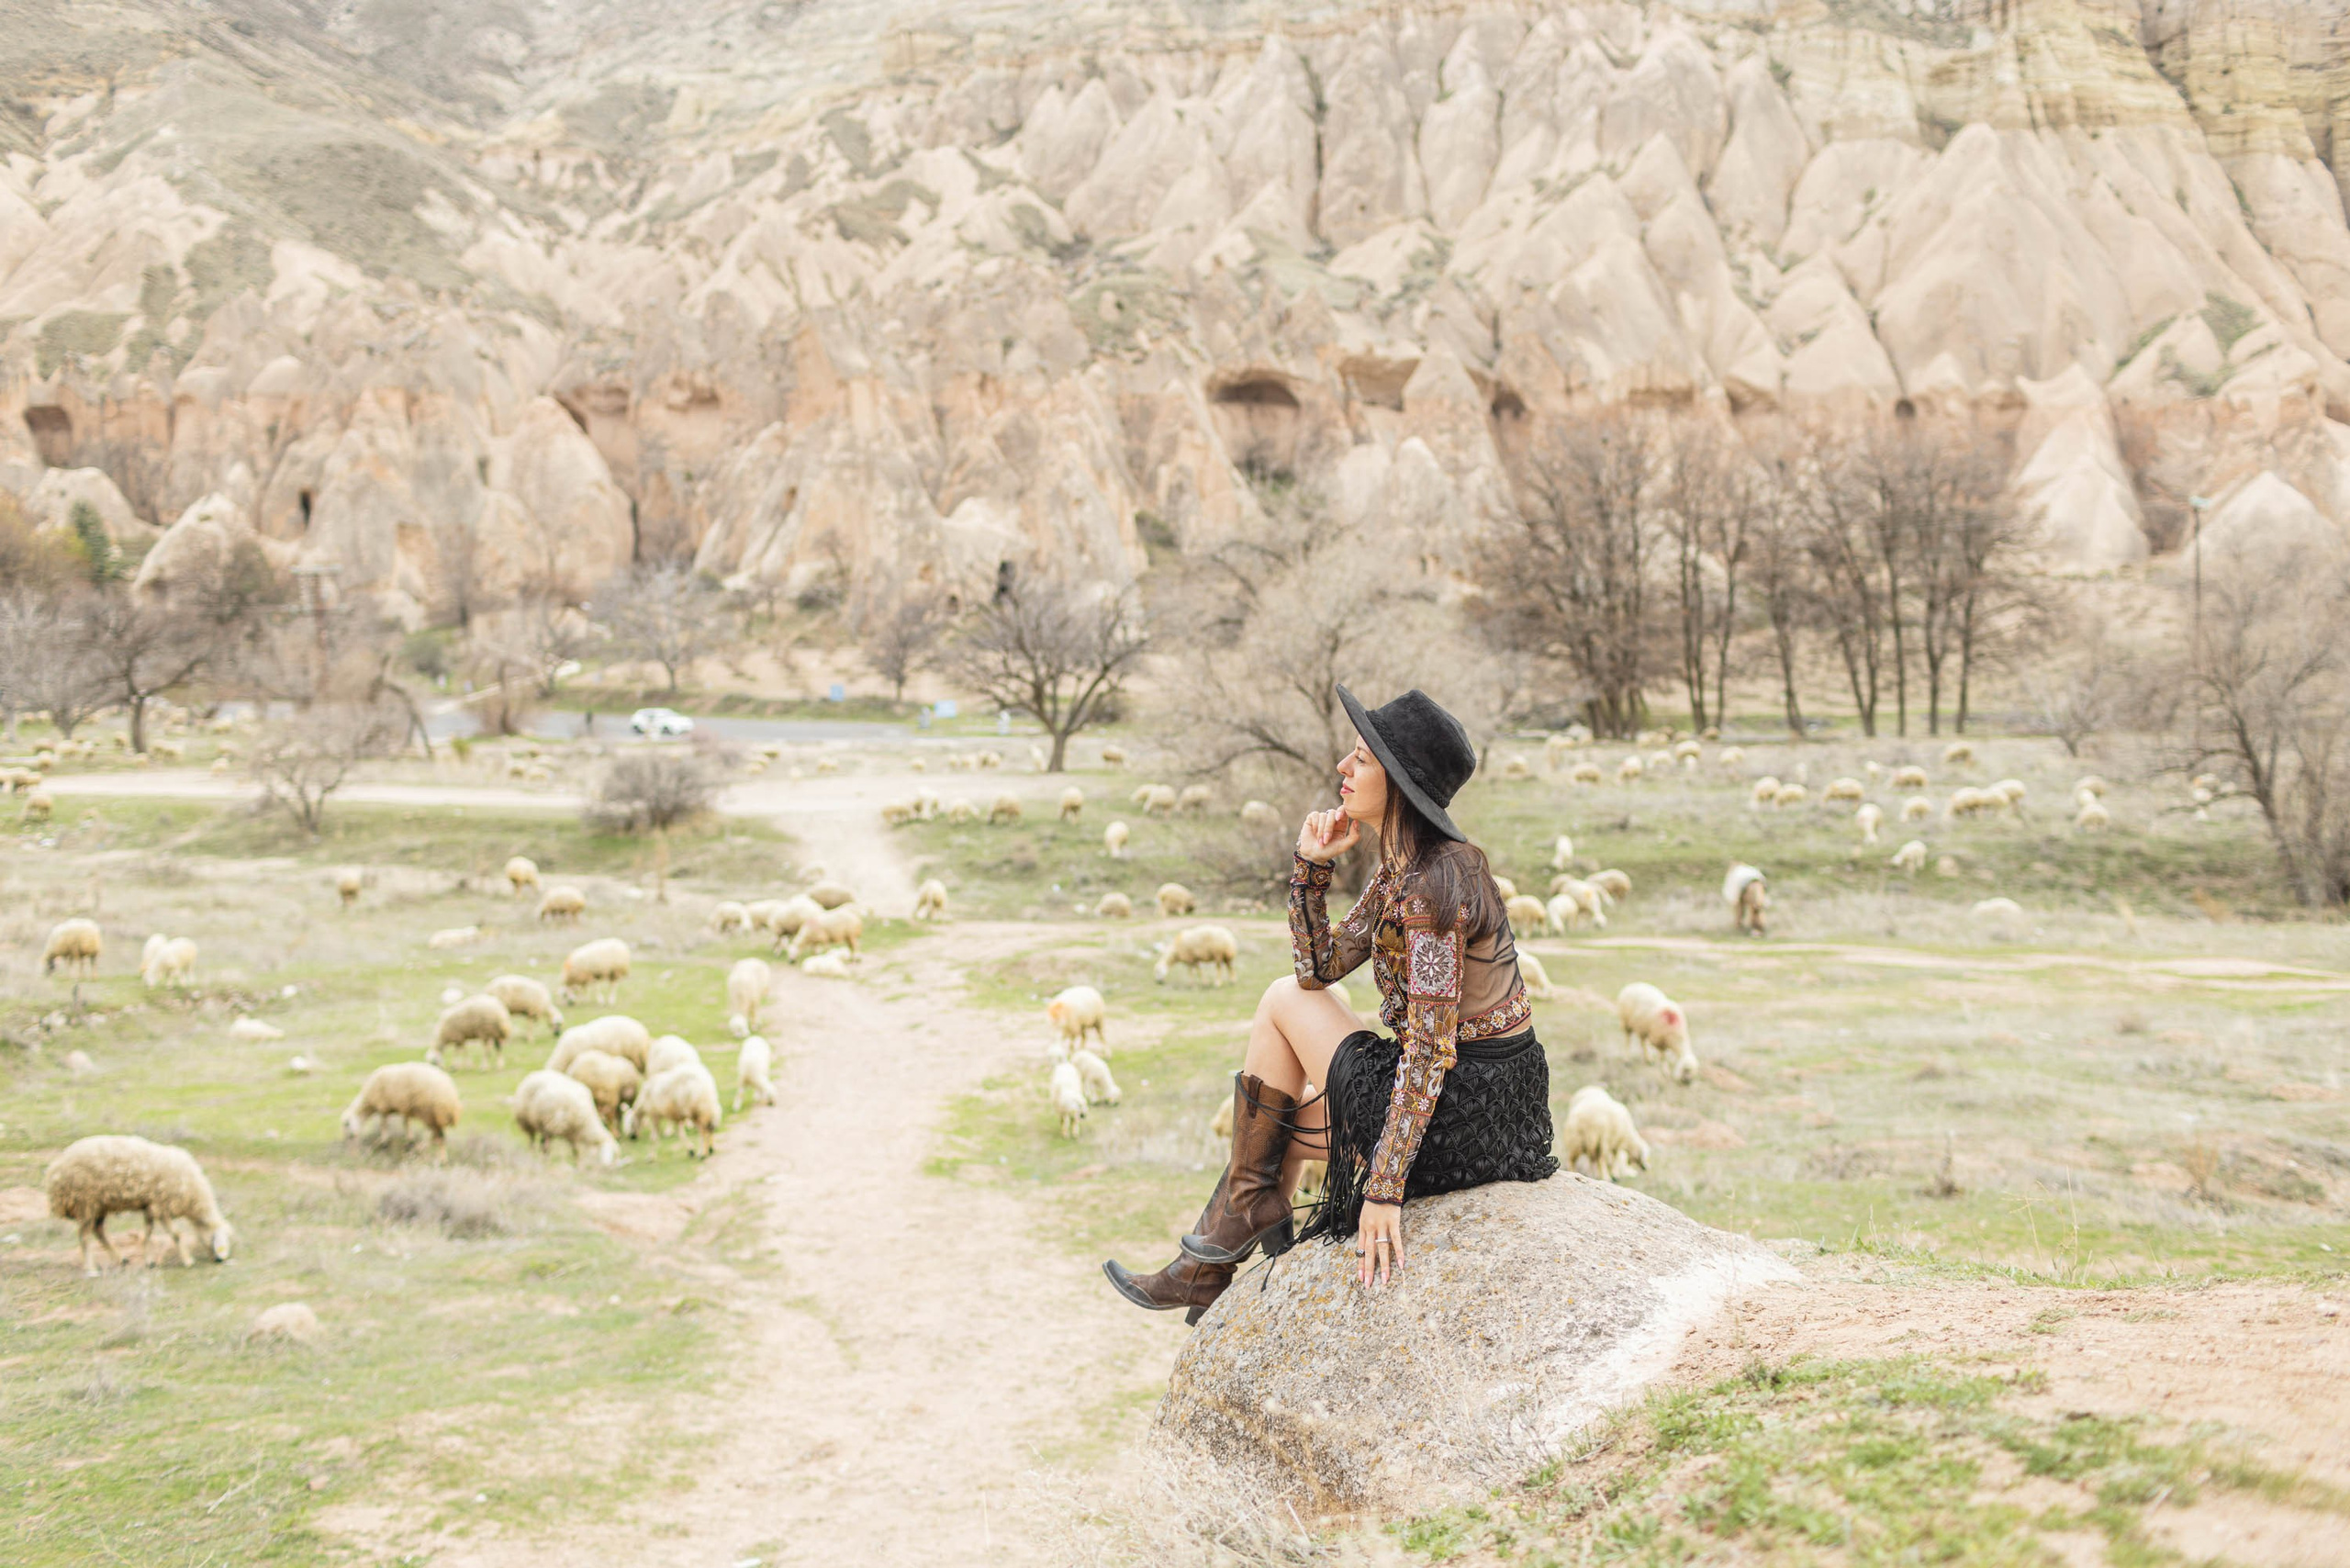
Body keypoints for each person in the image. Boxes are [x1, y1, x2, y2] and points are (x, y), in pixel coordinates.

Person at [1103, 686, 1559, 1323]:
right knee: (1272, 1130)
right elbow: (1321, 968)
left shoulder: (1434, 888)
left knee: (1279, 1026)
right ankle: (1214, 1255)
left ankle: (1214, 1256)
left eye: (1361, 760)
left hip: (1468, 1109)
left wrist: (1383, 1189)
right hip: (1487, 1098)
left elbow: (1428, 1049)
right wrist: (1310, 870)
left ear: (1399, 783)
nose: (1343, 770)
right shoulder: (1405, 869)